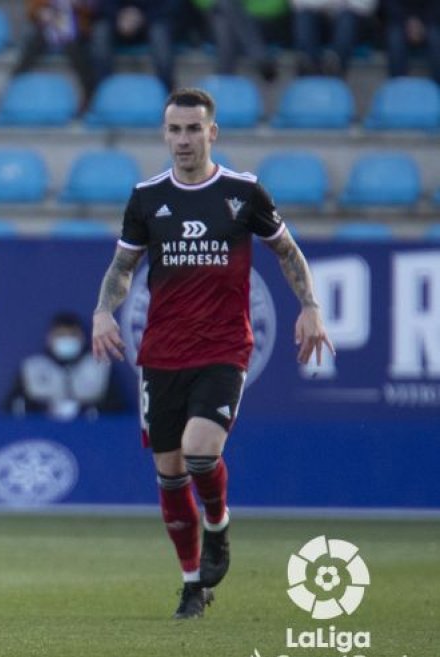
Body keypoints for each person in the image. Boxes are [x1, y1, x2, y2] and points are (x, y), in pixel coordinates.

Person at [90, 88, 333, 619]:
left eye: (192, 129)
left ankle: (218, 523)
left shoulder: (243, 192)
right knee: (170, 472)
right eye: (174, 130)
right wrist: (103, 311)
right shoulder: (147, 197)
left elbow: (287, 252)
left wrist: (310, 305)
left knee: (202, 452)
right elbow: (123, 267)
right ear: (164, 134)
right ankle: (192, 584)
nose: (182, 140)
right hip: (161, 352)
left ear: (211, 133)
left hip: (224, 346)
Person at [5, 311, 126, 420]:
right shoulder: (32, 368)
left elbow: (116, 409)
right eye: (61, 335)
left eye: (72, 335)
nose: (67, 339)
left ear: (83, 338)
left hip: (90, 432)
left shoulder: (99, 367)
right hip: (41, 431)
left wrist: (84, 410)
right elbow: (13, 407)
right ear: (49, 338)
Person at [91, 0, 179, 93]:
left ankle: (167, 90)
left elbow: (170, 6)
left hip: (152, 19)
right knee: (100, 31)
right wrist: (119, 16)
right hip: (119, 20)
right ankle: (103, 91)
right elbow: (103, 5)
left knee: (159, 34)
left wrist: (141, 17)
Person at [384, 0, 440, 84]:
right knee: (395, 41)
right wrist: (408, 22)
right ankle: (398, 88)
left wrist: (422, 23)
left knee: (436, 40)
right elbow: (389, 4)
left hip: (429, 21)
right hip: (400, 20)